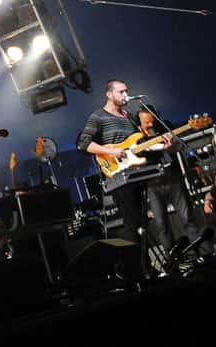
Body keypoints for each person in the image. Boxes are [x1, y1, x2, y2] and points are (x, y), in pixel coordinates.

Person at [76, 79, 176, 275]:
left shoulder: (128, 116)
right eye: (121, 92)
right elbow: (83, 143)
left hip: (135, 173)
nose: (125, 95)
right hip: (117, 174)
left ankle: (144, 267)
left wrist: (164, 145)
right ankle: (137, 270)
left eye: (126, 91)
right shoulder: (98, 117)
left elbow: (137, 146)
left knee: (141, 222)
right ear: (109, 94)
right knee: (132, 223)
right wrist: (110, 152)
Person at [137, 106, 198, 256]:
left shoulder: (165, 126)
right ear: (139, 123)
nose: (150, 125)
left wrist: (170, 147)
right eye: (146, 122)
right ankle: (173, 260)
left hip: (173, 179)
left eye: (152, 120)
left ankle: (201, 253)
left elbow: (178, 147)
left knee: (187, 218)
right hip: (152, 185)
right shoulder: (134, 135)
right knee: (162, 225)